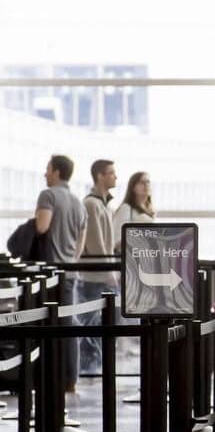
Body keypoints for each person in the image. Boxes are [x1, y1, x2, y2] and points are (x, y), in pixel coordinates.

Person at [35, 154, 86, 393]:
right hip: (71, 272)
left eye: (47, 169)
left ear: (56, 172)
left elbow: (42, 226)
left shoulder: (48, 195)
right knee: (69, 325)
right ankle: (69, 379)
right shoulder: (78, 202)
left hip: (52, 274)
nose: (45, 173)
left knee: (50, 326)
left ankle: (52, 378)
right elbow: (80, 246)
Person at [77, 159, 119, 376]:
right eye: (111, 173)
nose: (115, 177)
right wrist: (109, 272)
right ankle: (90, 371)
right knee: (92, 326)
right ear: (100, 176)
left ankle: (97, 370)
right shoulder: (92, 204)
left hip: (102, 275)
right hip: (95, 277)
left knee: (102, 324)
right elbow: (96, 244)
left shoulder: (104, 204)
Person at [112, 171, 155, 245]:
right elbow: (117, 239)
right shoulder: (126, 208)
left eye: (148, 182)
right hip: (133, 251)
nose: (146, 185)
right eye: (142, 182)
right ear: (133, 187)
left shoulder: (150, 210)